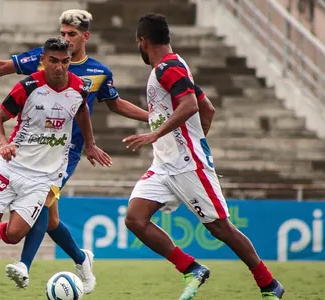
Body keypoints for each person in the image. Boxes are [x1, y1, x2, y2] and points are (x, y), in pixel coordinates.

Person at [0, 9, 148, 293]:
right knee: (50, 220)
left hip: (65, 155)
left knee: (41, 211)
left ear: (84, 37)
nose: (66, 38)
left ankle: (25, 265)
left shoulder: (96, 74)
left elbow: (111, 105)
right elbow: (3, 68)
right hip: (27, 153)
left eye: (72, 35)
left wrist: (150, 119)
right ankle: (80, 258)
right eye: (63, 33)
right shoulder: (38, 64)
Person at [122, 13, 285, 300]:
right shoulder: (176, 66)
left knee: (220, 228)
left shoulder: (168, 69)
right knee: (135, 219)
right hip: (164, 164)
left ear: (142, 41)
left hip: (187, 164)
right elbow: (207, 107)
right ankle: (192, 268)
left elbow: (191, 106)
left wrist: (159, 136)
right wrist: (192, 139)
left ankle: (269, 284)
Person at [0, 37, 112, 300]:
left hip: (44, 175)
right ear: (43, 61)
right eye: (53, 61)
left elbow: (82, 113)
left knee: (13, 234)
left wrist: (90, 144)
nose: (59, 67)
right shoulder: (28, 86)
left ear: (70, 61)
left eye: (65, 61)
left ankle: (10, 243)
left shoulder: (79, 88)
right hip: (11, 166)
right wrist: (2, 143)